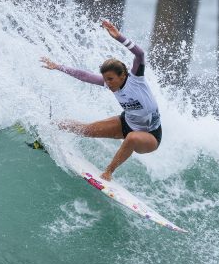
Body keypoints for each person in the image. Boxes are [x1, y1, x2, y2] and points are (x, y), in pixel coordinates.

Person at [40, 19, 162, 182]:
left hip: (150, 135)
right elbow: (83, 75)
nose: (108, 83)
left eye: (111, 79)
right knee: (85, 129)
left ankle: (108, 173)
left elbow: (140, 54)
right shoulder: (110, 83)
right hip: (126, 123)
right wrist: (57, 66)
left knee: (132, 138)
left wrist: (119, 37)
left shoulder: (136, 80)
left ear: (123, 75)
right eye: (105, 79)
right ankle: (46, 127)